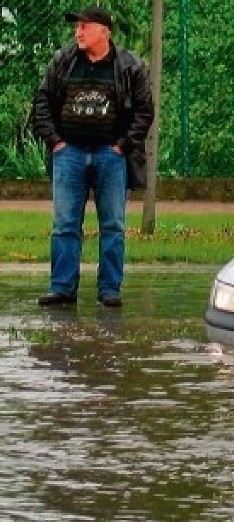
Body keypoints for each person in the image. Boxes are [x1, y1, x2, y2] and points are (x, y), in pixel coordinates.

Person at [31, 5, 154, 307]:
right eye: (77, 27)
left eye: (84, 26)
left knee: (112, 225)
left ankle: (109, 290)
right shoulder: (64, 61)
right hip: (69, 154)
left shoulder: (128, 66)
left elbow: (144, 110)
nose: (78, 32)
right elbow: (42, 101)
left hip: (110, 156)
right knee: (64, 225)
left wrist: (123, 146)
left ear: (104, 31)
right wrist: (55, 142)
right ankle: (62, 288)